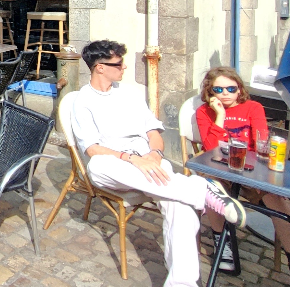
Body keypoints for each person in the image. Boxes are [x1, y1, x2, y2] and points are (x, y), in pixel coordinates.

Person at [71, 39, 247, 287]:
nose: (124, 68)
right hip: (117, 165)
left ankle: (181, 283)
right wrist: (132, 159)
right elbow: (91, 148)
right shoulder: (83, 101)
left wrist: (155, 154)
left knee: (180, 206)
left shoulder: (129, 94)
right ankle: (202, 190)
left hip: (150, 162)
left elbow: (154, 131)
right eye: (119, 64)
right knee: (97, 165)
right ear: (100, 67)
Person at [195, 66, 290, 271]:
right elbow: (211, 149)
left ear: (239, 89)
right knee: (211, 186)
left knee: (275, 195)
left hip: (250, 171)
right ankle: (223, 241)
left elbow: (261, 143)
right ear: (210, 92)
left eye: (231, 88)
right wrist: (219, 115)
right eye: (218, 90)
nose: (225, 93)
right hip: (219, 169)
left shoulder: (253, 107)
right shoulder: (204, 111)